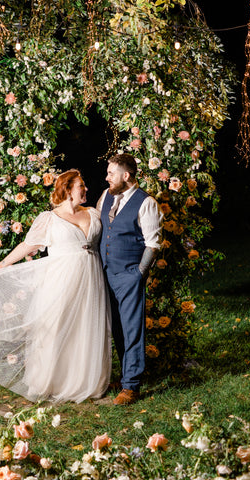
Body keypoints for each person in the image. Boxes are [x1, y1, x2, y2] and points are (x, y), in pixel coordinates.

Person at [0, 169, 111, 404]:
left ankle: (83, 381)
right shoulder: (49, 219)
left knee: (86, 325)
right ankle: (50, 381)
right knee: (56, 325)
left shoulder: (93, 213)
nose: (86, 189)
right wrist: (3, 263)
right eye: (82, 185)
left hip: (91, 279)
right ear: (68, 190)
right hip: (61, 280)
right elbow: (28, 246)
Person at [97, 153, 163, 405]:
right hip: (105, 272)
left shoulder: (146, 203)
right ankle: (126, 376)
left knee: (133, 329)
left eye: (111, 173)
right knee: (117, 328)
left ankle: (131, 386)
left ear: (126, 176)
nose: (106, 177)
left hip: (129, 274)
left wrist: (138, 274)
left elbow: (153, 244)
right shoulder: (105, 197)